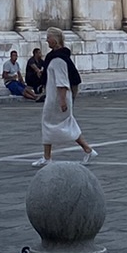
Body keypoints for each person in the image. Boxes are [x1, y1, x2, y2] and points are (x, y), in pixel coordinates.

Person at [33, 29, 94, 166]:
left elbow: (62, 82)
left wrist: (62, 101)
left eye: (49, 38)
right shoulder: (56, 58)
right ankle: (86, 149)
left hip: (57, 99)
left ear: (55, 39)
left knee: (52, 124)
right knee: (65, 124)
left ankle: (48, 157)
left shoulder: (58, 60)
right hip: (55, 96)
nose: (47, 40)